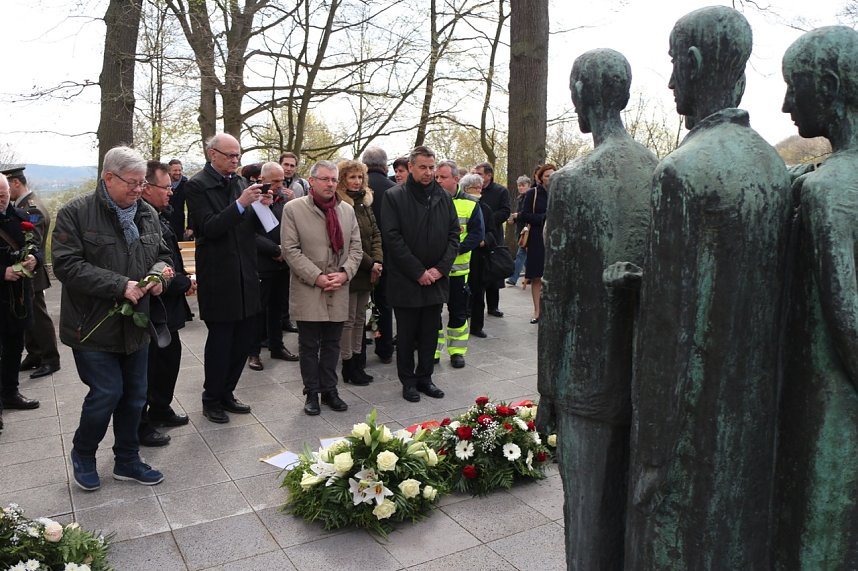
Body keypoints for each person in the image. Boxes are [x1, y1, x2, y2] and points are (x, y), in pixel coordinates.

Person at [620, 8, 790, 568]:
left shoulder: (681, 170)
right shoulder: (770, 164)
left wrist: (651, 453)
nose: (670, 82)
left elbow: (670, 329)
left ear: (692, 63)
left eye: (673, 66)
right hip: (751, 410)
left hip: (687, 426)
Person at [534, 49, 658, 571]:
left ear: (582, 96)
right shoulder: (657, 168)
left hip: (586, 380)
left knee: (585, 520)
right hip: (642, 376)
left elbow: (558, 299)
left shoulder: (573, 180)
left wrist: (546, 389)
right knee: (630, 517)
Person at [773, 26, 858, 569]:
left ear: (828, 85)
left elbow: (848, 321)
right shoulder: (822, 180)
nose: (784, 103)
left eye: (794, 86)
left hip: (829, 406)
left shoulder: (830, 192)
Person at [53, 146, 172, 491]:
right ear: (108, 177)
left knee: (136, 395)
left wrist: (158, 277)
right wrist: (121, 285)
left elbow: (164, 254)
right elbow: (67, 265)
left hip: (136, 325)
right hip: (92, 325)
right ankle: (84, 454)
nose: (139, 190)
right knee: (107, 392)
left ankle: (128, 460)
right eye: (132, 183)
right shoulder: (76, 213)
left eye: (142, 183)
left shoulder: (146, 212)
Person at [185, 133, 268, 424]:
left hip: (246, 273)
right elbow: (209, 227)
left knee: (244, 340)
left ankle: (228, 392)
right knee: (221, 342)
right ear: (212, 154)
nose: (235, 160)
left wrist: (263, 206)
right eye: (230, 155)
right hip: (219, 276)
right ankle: (212, 399)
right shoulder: (196, 185)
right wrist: (241, 204)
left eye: (238, 155)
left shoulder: (240, 182)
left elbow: (255, 228)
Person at [281, 161, 362, 415]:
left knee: (332, 344)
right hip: (309, 289)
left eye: (334, 180)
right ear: (312, 181)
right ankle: (311, 393)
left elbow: (356, 249)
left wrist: (344, 273)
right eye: (325, 179)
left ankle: (330, 389)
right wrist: (316, 276)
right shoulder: (293, 209)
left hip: (338, 286)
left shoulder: (346, 210)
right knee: (308, 345)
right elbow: (290, 250)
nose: (330, 184)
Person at [382, 146, 460, 402]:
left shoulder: (444, 197)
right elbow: (392, 238)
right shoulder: (394, 196)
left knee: (430, 332)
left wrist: (440, 269)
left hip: (436, 279)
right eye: (423, 167)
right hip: (407, 279)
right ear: (411, 167)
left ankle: (425, 377)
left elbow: (453, 235)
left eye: (431, 167)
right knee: (406, 335)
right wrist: (418, 271)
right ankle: (408, 381)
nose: (428, 173)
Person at [135, 160, 195, 448]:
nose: (171, 192)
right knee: (148, 367)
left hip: (169, 305)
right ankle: (141, 423)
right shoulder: (139, 220)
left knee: (169, 359)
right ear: (146, 188)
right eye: (165, 187)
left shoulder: (160, 215)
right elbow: (148, 266)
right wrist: (182, 282)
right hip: (151, 307)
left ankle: (161, 407)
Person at [2, 166, 61, 378]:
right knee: (27, 314)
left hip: (31, 272)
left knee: (39, 317)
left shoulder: (31, 208)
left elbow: (31, 243)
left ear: (16, 183)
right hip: (24, 274)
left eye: (7, 187)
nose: (6, 193)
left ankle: (50, 359)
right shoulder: (22, 205)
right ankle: (35, 354)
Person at [247, 161, 299, 372]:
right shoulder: (253, 200)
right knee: (258, 310)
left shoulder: (284, 200)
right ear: (263, 179)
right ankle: (253, 352)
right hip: (263, 263)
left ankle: (277, 346)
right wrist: (275, 250)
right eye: (275, 180)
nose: (280, 184)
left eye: (281, 180)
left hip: (283, 264)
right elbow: (250, 234)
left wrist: (286, 250)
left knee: (278, 308)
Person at [335, 159, 383, 385]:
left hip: (368, 270)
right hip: (351, 268)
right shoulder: (340, 204)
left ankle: (357, 361)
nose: (357, 181)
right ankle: (347, 364)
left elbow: (375, 234)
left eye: (360, 177)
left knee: (359, 319)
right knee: (348, 319)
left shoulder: (365, 202)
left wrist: (378, 261)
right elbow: (347, 241)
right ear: (342, 180)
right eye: (352, 177)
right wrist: (370, 264)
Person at [0, 173, 41, 435]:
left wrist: (34, 259)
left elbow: (34, 244)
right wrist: (2, 272)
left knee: (15, 346)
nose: (1, 198)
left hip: (18, 298)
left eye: (3, 194)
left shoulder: (20, 216)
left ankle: (10, 392)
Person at [433, 160, 483, 368]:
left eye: (442, 177)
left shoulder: (471, 203)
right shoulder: (430, 201)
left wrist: (454, 251)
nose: (438, 181)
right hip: (435, 271)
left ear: (456, 179)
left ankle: (457, 351)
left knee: (458, 313)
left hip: (458, 271)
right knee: (433, 314)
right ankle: (433, 350)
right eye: (437, 177)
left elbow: (476, 234)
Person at [361, 146, 396, 364]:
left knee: (359, 304)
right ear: (385, 166)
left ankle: (359, 348)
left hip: (361, 258)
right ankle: (384, 349)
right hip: (388, 257)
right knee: (384, 302)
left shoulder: (356, 190)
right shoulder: (394, 191)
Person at [462, 174, 501, 340]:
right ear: (465, 189)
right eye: (474, 188)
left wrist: (485, 241)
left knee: (478, 292)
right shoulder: (455, 205)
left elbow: (493, 232)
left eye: (480, 187)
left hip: (479, 257)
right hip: (461, 255)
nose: (478, 191)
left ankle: (477, 326)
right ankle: (462, 318)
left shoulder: (485, 208)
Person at [472, 162, 510, 317]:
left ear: (489, 175)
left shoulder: (501, 191)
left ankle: (493, 306)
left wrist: (487, 219)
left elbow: (506, 211)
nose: (477, 177)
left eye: (479, 174)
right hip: (476, 235)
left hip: (493, 235)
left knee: (493, 271)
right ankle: (473, 306)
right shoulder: (473, 190)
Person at [519, 164, 554, 323]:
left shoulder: (561, 191)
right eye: (547, 175)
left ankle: (553, 311)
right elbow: (524, 215)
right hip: (537, 239)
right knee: (537, 277)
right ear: (540, 178)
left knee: (554, 276)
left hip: (556, 240)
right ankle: (537, 311)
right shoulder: (533, 193)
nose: (550, 178)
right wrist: (544, 217)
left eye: (553, 175)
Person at [278, 151, 308, 334]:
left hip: (295, 237)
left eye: (292, 165)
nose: (288, 168)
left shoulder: (301, 184)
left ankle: (286, 319)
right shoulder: (271, 183)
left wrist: (294, 201)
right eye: (285, 164)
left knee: (290, 284)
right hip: (275, 238)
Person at [506, 175, 531, 287]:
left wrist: (517, 215)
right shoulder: (520, 198)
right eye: (519, 186)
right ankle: (530, 275)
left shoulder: (530, 197)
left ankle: (513, 277)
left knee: (521, 254)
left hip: (528, 230)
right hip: (521, 230)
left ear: (528, 186)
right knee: (525, 255)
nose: (520, 188)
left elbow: (527, 214)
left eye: (523, 185)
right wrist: (514, 219)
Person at [166, 159, 191, 240]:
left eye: (179, 170)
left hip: (179, 221)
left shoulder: (186, 184)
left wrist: (190, 226)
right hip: (164, 220)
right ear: (169, 171)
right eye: (175, 170)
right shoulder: (164, 182)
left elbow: (191, 206)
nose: (178, 172)